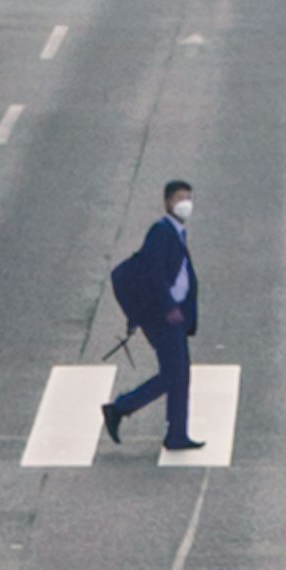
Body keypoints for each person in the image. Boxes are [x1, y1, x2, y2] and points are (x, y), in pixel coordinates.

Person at [103, 179, 199, 451]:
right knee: (175, 374)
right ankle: (120, 408)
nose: (186, 203)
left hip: (173, 315)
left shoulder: (177, 232)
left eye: (189, 198)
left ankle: (177, 434)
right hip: (162, 316)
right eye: (181, 198)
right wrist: (169, 307)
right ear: (169, 202)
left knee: (178, 374)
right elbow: (155, 273)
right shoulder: (160, 232)